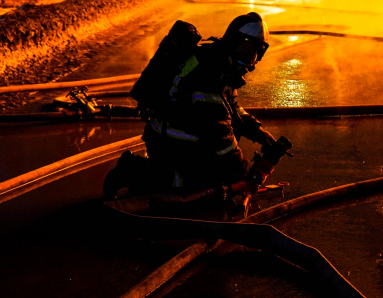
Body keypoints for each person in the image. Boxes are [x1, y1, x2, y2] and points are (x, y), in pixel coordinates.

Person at [104, 12, 282, 199]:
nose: (246, 58)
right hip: (170, 142)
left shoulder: (218, 61)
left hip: (179, 136)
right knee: (203, 183)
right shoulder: (210, 73)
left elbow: (231, 107)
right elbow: (219, 137)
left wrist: (257, 131)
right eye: (243, 49)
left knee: (221, 175)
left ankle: (159, 171)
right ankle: (133, 171)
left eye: (252, 53)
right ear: (232, 42)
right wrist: (241, 169)